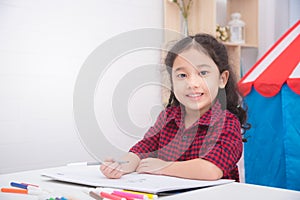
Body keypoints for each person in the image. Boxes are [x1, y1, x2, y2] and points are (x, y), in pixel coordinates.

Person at [100, 33, 250, 182]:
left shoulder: (227, 123)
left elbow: (211, 169)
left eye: (203, 73)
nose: (192, 83)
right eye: (182, 75)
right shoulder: (168, 117)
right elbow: (144, 148)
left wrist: (163, 167)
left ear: (222, 79)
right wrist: (123, 165)